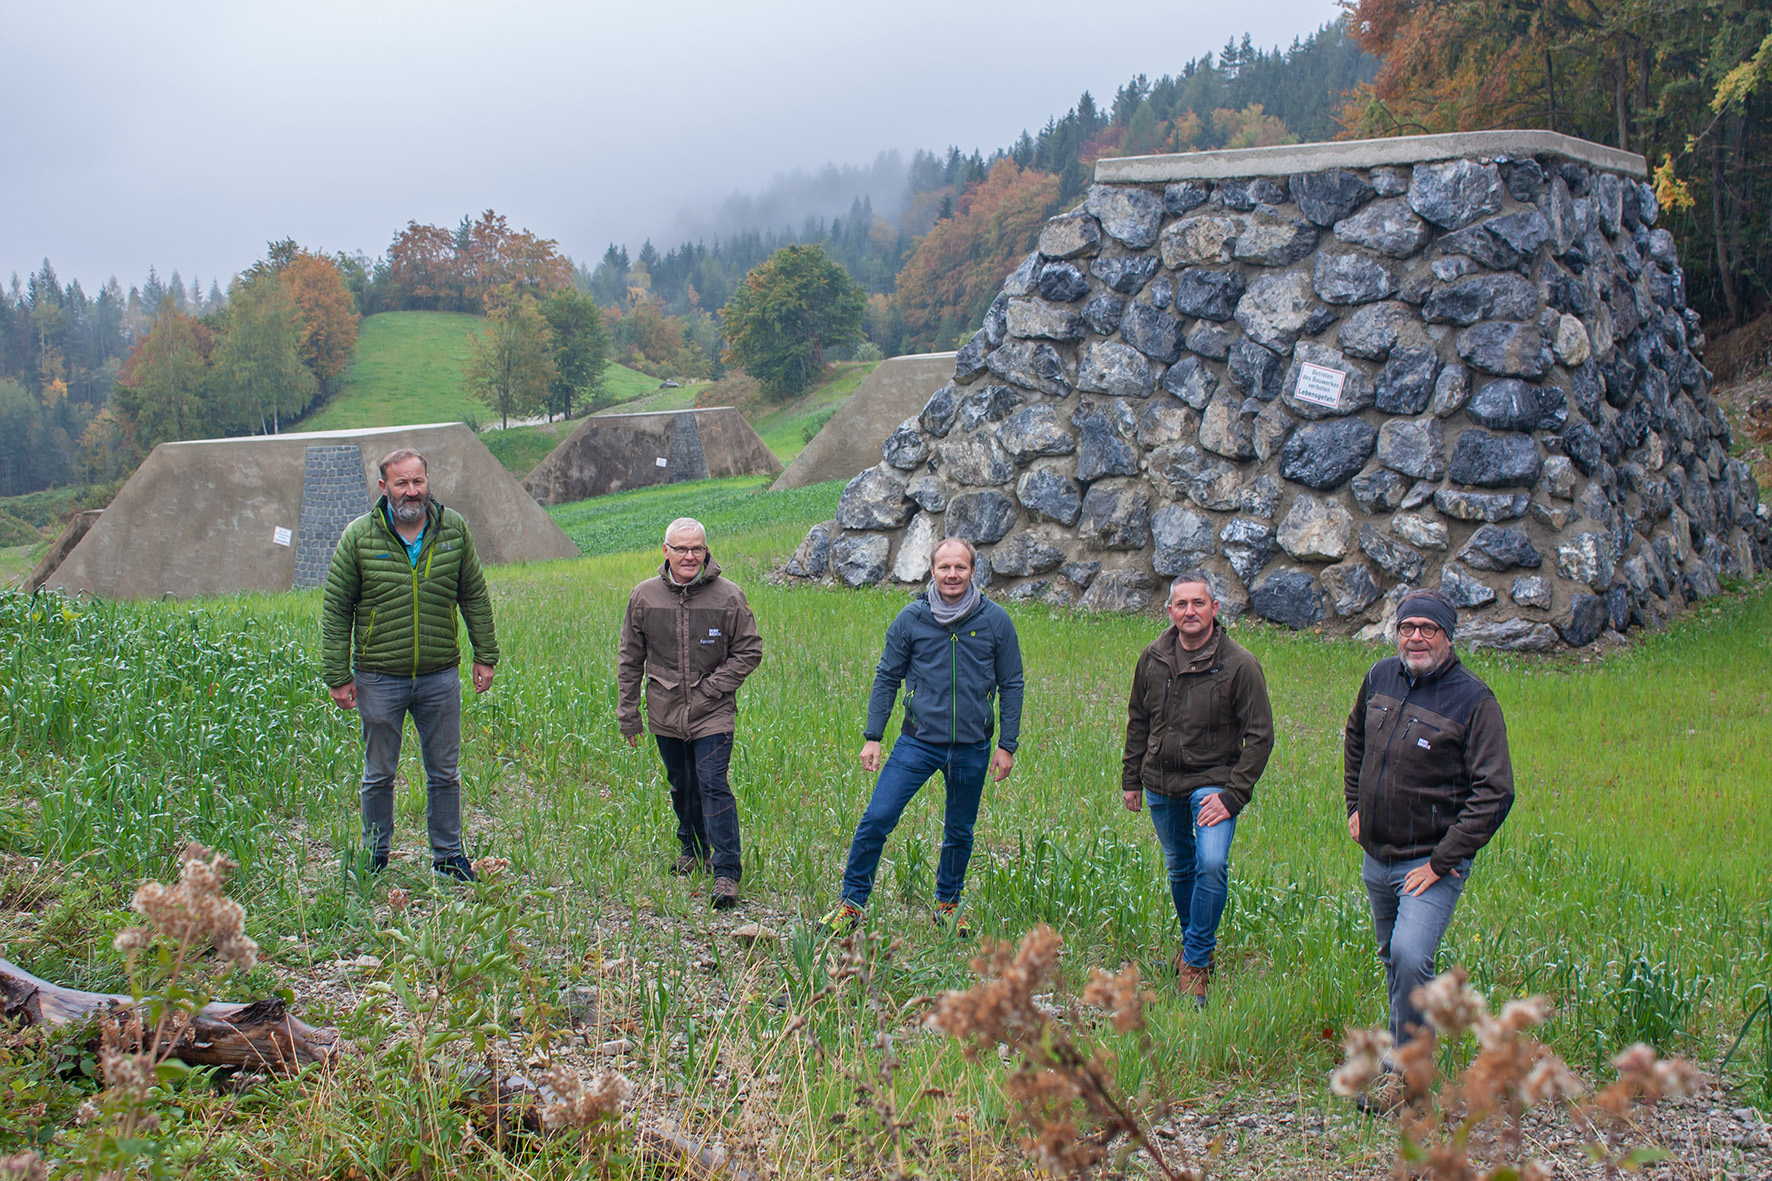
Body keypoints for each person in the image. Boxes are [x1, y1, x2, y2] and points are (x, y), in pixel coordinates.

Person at [1344, 589, 1515, 1054]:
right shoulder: (1380, 676)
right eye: (1407, 628)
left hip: (1429, 863)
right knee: (1393, 958)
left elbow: (1496, 791)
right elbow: (1355, 737)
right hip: (1378, 855)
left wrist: (1443, 860)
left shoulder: (1475, 701)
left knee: (1409, 955)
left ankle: (1405, 1074)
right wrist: (1353, 807)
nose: (1415, 638)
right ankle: (1414, 1036)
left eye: (1428, 629)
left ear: (1448, 637)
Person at [825, 537, 1024, 934]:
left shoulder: (995, 620)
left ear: (973, 571)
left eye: (961, 567)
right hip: (917, 742)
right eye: (944, 567)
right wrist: (873, 736)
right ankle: (851, 905)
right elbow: (887, 677)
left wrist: (1007, 744)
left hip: (973, 746)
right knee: (877, 819)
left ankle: (948, 905)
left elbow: (1012, 682)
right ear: (931, 571)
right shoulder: (911, 618)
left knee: (959, 830)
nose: (952, 575)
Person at [321, 448, 499, 881]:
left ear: (427, 481)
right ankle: (375, 854)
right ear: (383, 488)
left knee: (445, 772)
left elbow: (473, 594)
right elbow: (336, 608)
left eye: (418, 481)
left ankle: (448, 857)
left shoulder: (452, 528)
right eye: (401, 483)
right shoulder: (359, 537)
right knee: (379, 773)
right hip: (379, 676)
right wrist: (336, 675)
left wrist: (485, 655)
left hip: (439, 675)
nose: (412, 491)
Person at [1121, 570, 1273, 1009]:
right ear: (1169, 611)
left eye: (1199, 603)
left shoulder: (1239, 664)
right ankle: (1195, 950)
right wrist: (1131, 778)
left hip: (1212, 785)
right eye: (1181, 604)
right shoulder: (1153, 657)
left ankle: (1196, 961)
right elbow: (1138, 719)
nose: (1190, 611)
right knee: (1180, 867)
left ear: (1215, 609)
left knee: (1211, 863)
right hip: (1161, 782)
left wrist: (1232, 796)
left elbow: (1260, 736)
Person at [617, 517, 763, 910]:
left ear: (706, 551)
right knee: (682, 784)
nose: (689, 556)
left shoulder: (728, 596)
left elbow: (749, 651)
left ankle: (726, 871)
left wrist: (712, 689)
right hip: (664, 710)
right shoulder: (644, 597)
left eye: (696, 548)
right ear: (664, 551)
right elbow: (630, 660)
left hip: (712, 712)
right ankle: (693, 848)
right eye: (680, 548)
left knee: (712, 782)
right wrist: (628, 714)